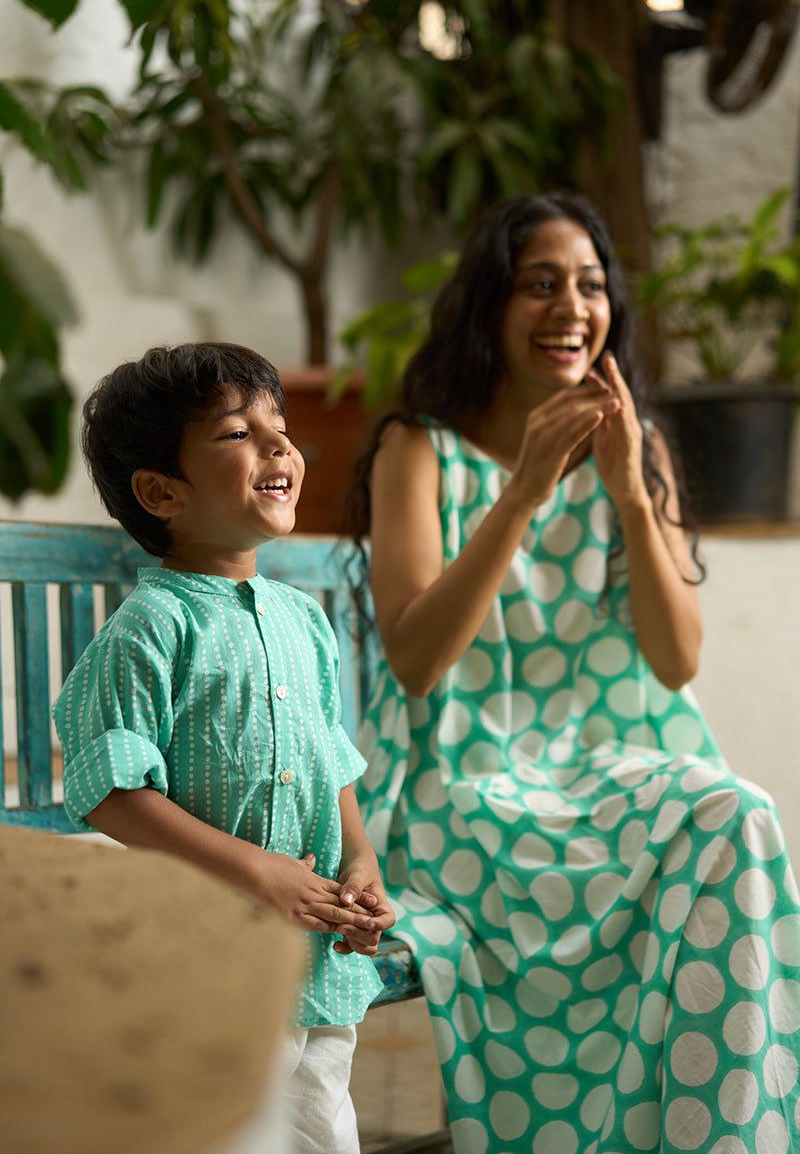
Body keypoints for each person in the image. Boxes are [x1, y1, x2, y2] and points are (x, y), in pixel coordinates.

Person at [346, 194, 800, 1154]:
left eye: (590, 286)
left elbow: (677, 660)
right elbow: (419, 664)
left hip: (600, 772)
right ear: (488, 308)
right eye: (539, 285)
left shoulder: (639, 453)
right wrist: (524, 492)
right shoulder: (416, 450)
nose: (570, 308)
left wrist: (630, 488)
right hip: (455, 787)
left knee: (737, 814)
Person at [54, 342, 395, 1154]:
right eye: (239, 433)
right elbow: (107, 788)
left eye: (279, 425)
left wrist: (361, 857)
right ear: (161, 491)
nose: (279, 445)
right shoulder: (153, 627)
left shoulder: (302, 619)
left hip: (314, 954)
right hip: (209, 956)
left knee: (321, 1125)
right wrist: (256, 871)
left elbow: (329, 756)